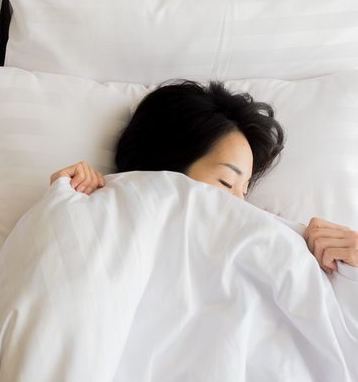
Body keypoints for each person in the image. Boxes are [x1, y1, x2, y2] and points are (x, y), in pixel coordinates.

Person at [50, 80, 358, 274]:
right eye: (226, 183)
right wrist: (70, 203)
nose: (240, 206)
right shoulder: (110, 223)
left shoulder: (276, 246)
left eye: (244, 192)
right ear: (162, 170)